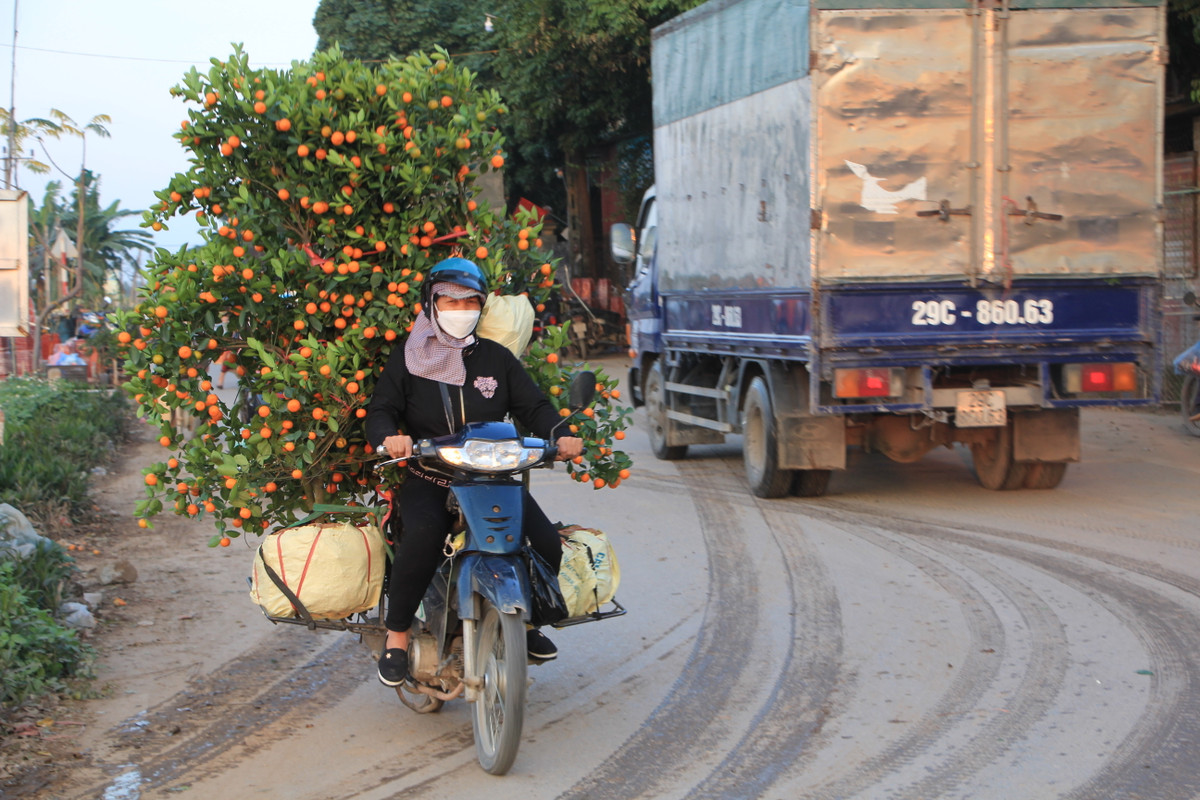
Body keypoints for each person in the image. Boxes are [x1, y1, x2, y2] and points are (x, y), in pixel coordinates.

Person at [364, 257, 583, 687]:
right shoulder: (407, 360)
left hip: (492, 478)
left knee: (543, 543)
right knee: (422, 538)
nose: (459, 308)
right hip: (431, 475)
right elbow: (381, 411)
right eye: (449, 300)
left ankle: (523, 621)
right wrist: (390, 437)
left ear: (481, 307)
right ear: (431, 303)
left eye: (469, 301)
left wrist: (563, 434)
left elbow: (534, 407)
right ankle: (398, 634)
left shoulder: (496, 360)